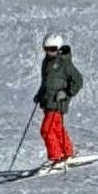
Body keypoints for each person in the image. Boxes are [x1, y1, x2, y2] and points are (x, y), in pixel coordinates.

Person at [35, 35, 82, 168]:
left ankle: (56, 156)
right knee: (56, 128)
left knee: (46, 130)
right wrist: (39, 94)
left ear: (59, 49)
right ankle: (67, 153)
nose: (49, 52)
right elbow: (46, 82)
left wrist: (67, 93)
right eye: (47, 49)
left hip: (58, 102)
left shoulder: (64, 63)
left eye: (52, 49)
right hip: (48, 101)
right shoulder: (46, 62)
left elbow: (78, 80)